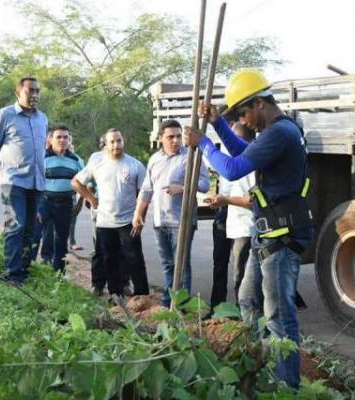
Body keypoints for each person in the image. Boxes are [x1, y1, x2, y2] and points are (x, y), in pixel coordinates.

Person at [184, 69, 314, 390]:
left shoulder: (279, 133)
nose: (244, 119)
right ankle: (257, 365)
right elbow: (242, 152)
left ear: (259, 103)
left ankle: (286, 388)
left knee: (279, 317)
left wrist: (203, 143)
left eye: (243, 112)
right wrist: (217, 125)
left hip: (281, 238)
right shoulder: (276, 131)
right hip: (267, 234)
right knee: (247, 300)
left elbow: (231, 168)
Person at [133, 119, 210, 307]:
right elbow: (146, 189)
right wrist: (138, 213)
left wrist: (183, 188)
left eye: (178, 136)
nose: (175, 140)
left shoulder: (191, 156)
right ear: (161, 138)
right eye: (170, 137)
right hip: (160, 221)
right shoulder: (155, 159)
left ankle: (182, 305)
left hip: (182, 221)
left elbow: (205, 184)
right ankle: (169, 303)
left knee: (182, 266)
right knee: (167, 264)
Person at [0, 77, 48, 285]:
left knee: (31, 228)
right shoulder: (4, 115)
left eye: (37, 91)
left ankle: (23, 269)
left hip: (37, 182)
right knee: (16, 225)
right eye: (30, 91)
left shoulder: (43, 118)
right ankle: (12, 273)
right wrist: (1, 176)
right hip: (13, 181)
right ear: (18, 92)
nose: (35, 95)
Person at [72, 129, 149, 297]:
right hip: (105, 221)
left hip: (129, 220)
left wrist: (140, 216)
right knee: (109, 259)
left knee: (134, 259)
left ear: (124, 141)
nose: (116, 145)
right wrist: (92, 199)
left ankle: (143, 296)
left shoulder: (135, 165)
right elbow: (76, 182)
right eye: (112, 142)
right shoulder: (97, 162)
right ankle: (116, 295)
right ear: (105, 144)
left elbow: (144, 193)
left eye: (119, 141)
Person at [205, 121, 256, 308]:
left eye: (232, 140)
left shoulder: (251, 163)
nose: (228, 144)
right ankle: (218, 307)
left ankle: (246, 318)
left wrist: (225, 200)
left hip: (245, 225)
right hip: (226, 214)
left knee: (241, 276)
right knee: (220, 262)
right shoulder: (231, 157)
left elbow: (253, 201)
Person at [34, 125, 84, 273]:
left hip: (65, 204)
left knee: (62, 240)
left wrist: (80, 203)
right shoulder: (42, 157)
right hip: (44, 202)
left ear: (69, 140)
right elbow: (33, 181)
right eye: (58, 137)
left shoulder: (77, 160)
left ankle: (59, 273)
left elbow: (83, 184)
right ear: (51, 139)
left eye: (65, 137)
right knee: (35, 235)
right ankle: (27, 267)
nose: (62, 140)